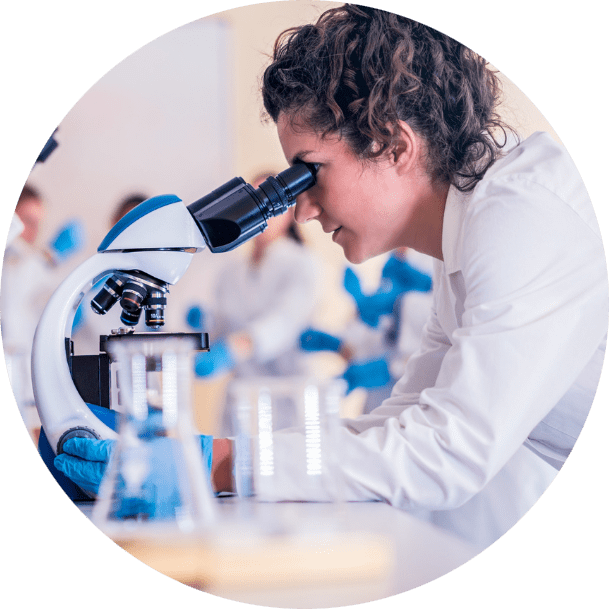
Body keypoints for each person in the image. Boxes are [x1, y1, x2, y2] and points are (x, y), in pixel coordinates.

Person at [54, 5, 608, 548]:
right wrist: (216, 451)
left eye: (308, 174)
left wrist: (215, 464)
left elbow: (446, 451)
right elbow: (406, 418)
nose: (303, 211)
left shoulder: (523, 213)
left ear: (394, 144)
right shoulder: (465, 237)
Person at [189, 171, 321, 431]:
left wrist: (235, 347)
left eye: (270, 202)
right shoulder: (230, 272)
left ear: (288, 212)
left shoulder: (302, 263)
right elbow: (224, 330)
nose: (261, 210)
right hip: (240, 402)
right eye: (252, 201)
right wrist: (206, 325)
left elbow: (284, 321)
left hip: (286, 397)